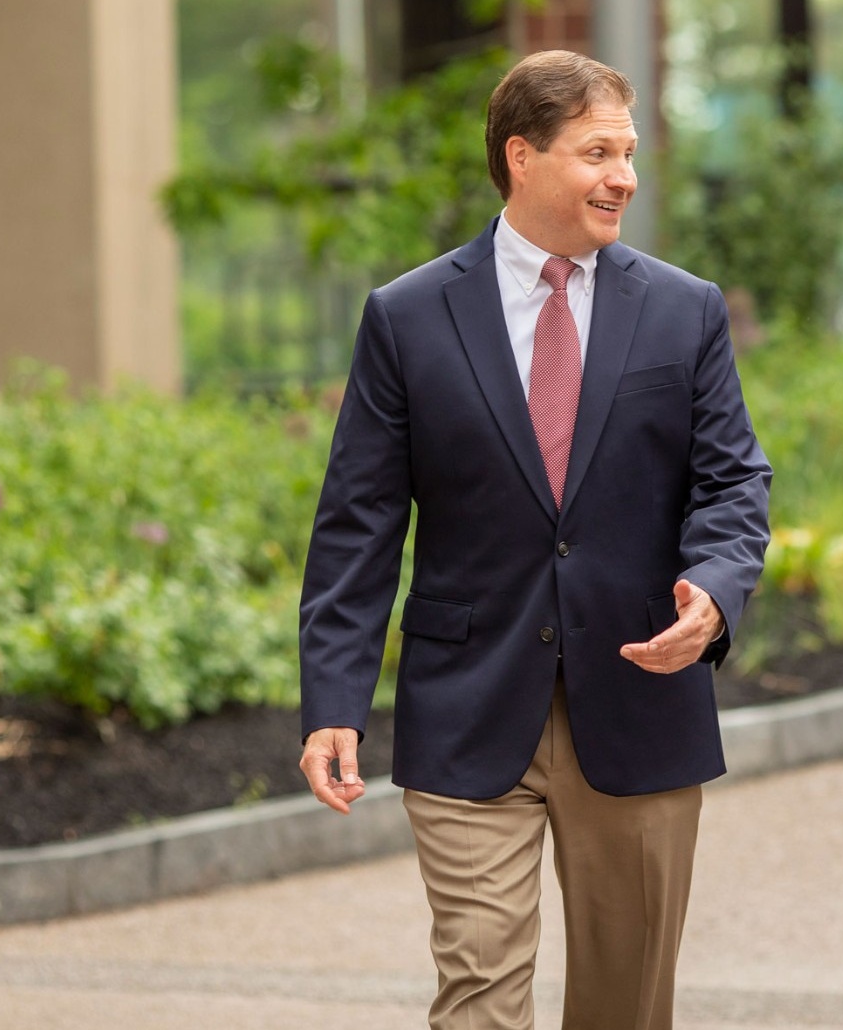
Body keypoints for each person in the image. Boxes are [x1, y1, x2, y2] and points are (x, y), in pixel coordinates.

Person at [297, 50, 772, 1030]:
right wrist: (333, 701)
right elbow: (360, 519)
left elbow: (732, 480)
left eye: (630, 153)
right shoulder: (409, 316)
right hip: (469, 709)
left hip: (641, 698)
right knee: (477, 994)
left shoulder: (684, 311)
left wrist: (716, 591)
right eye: (598, 152)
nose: (625, 177)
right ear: (522, 156)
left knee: (625, 1007)